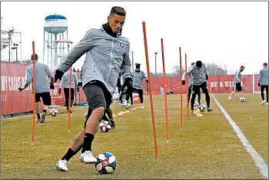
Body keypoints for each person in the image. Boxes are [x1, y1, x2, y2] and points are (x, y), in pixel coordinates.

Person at [54, 6, 131, 172]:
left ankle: (64, 160)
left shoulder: (124, 43)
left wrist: (129, 78)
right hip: (91, 78)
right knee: (99, 108)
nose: (118, 25)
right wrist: (61, 70)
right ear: (108, 18)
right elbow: (75, 52)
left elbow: (126, 66)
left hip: (109, 87)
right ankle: (86, 151)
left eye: (122, 23)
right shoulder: (94, 34)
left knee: (90, 126)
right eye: (116, 21)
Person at [18, 54, 54, 123]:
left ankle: (38, 118)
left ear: (31, 59)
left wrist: (22, 87)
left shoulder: (29, 68)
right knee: (46, 103)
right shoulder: (44, 66)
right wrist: (52, 83)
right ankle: (43, 114)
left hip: (36, 88)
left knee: (37, 102)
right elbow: (51, 76)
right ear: (38, 58)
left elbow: (28, 80)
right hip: (45, 87)